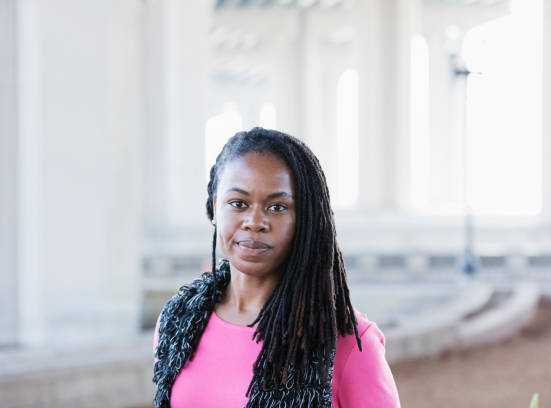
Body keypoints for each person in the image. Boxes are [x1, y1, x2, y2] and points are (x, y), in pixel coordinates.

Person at [153, 127, 401, 408]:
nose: (255, 221)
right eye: (238, 203)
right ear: (214, 207)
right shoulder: (177, 322)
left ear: (305, 219)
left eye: (277, 207)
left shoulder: (349, 344)